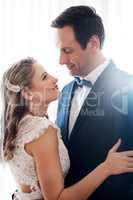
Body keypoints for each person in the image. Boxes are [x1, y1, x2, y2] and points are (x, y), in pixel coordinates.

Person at [1, 58, 133, 200]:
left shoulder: (16, 126)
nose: (55, 79)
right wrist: (107, 167)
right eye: (44, 77)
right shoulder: (41, 130)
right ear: (27, 93)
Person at [51, 5, 133, 200]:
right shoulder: (65, 91)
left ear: (93, 44)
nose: (61, 60)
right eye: (59, 51)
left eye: (67, 50)